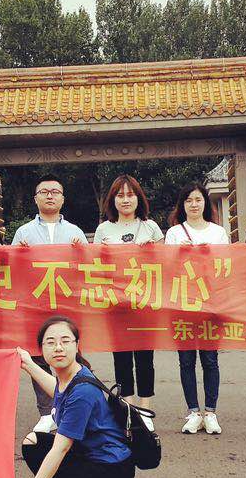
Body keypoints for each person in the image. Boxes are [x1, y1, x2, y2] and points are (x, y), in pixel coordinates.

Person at [15, 317, 134, 478]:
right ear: (42, 348)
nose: (58, 348)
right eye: (50, 342)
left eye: (65, 341)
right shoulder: (70, 376)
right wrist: (28, 364)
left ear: (77, 345)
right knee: (33, 443)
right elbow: (58, 391)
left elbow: (61, 448)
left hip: (111, 466)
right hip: (88, 455)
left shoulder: (82, 391)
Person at [12, 175, 90, 432]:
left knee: (72, 352)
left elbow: (89, 267)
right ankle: (47, 412)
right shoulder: (23, 232)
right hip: (36, 304)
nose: (49, 195)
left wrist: (81, 252)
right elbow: (12, 270)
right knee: (40, 355)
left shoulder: (75, 232)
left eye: (55, 192)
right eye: (44, 191)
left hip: (68, 303)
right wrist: (19, 254)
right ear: (36, 199)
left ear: (62, 199)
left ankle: (75, 403)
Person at [93, 175, 163, 429]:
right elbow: (95, 267)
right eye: (120, 195)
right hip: (116, 304)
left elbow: (166, 264)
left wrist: (153, 250)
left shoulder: (151, 227)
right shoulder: (104, 230)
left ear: (138, 198)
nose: (125, 200)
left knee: (145, 358)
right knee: (121, 357)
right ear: (112, 200)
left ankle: (145, 410)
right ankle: (127, 408)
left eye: (130, 195)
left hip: (145, 302)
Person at [165, 182, 229, 434]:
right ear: (182, 205)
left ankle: (210, 412)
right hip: (182, 302)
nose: (194, 204)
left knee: (210, 359)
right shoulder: (174, 233)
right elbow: (166, 267)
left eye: (198, 199)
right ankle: (193, 411)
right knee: (186, 360)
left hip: (211, 303)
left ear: (205, 203)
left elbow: (226, 266)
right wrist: (180, 254)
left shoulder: (218, 232)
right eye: (189, 200)